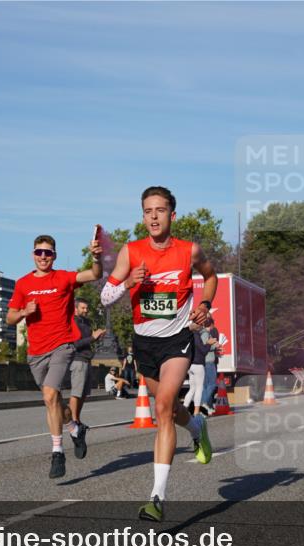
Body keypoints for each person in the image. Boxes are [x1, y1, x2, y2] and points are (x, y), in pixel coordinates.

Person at [101, 186, 217, 522]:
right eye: (147, 211)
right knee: (171, 409)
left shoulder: (189, 251)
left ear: (172, 215)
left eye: (160, 210)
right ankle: (196, 428)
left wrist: (205, 305)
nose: (153, 216)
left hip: (177, 340)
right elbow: (106, 297)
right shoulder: (132, 252)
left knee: (162, 408)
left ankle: (157, 497)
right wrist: (126, 283)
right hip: (144, 345)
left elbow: (210, 278)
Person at [7, 234, 103, 479]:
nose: (43, 257)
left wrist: (96, 257)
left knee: (49, 395)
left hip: (62, 346)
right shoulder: (22, 284)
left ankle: (57, 452)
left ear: (54, 256)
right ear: (33, 254)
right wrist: (23, 312)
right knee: (56, 403)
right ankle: (75, 429)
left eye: (47, 253)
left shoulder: (63, 278)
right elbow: (9, 318)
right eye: (39, 252)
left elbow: (94, 274)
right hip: (35, 352)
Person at [62, 300, 106, 451]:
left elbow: (87, 341)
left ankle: (77, 421)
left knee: (84, 394)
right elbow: (74, 343)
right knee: (76, 392)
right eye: (83, 307)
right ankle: (74, 422)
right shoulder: (72, 321)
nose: (86, 310)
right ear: (75, 309)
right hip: (77, 360)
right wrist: (93, 337)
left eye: (87, 307)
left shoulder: (86, 321)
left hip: (87, 359)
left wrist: (97, 337)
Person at [183, 321, 208, 415]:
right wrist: (209, 343)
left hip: (190, 365)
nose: (201, 326)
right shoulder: (196, 336)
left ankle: (185, 409)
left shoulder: (187, 336)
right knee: (199, 389)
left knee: (192, 388)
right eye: (200, 324)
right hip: (198, 364)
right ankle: (196, 411)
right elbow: (203, 350)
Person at [199, 316, 221, 414]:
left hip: (206, 362)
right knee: (211, 384)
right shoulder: (205, 334)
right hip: (208, 362)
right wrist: (214, 346)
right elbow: (204, 346)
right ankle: (203, 403)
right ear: (211, 324)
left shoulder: (205, 333)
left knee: (206, 385)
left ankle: (206, 405)